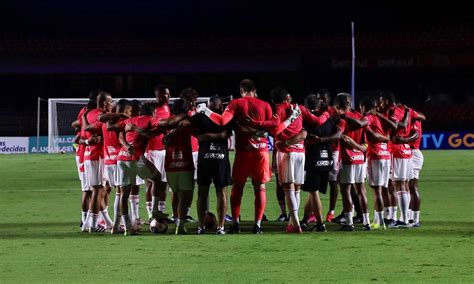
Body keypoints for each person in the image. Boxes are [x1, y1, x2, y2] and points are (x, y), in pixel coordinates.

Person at [248, 87, 330, 233]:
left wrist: (256, 124)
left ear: (273, 101)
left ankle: (296, 225)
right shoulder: (300, 108)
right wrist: (327, 114)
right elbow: (317, 121)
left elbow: (274, 129)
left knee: (288, 189)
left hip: (287, 152)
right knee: (297, 189)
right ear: (287, 97)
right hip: (300, 152)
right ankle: (293, 222)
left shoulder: (278, 110)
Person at [195, 79, 273, 234]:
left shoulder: (236, 103)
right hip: (262, 152)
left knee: (237, 187)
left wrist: (205, 110)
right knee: (260, 188)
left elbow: (223, 120)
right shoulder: (265, 105)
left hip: (244, 152)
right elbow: (271, 127)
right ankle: (257, 225)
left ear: (241, 90)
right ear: (254, 89)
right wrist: (257, 132)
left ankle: (236, 223)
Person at [185, 95, 233, 234]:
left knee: (202, 193)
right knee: (221, 193)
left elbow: (195, 132)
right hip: (221, 159)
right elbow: (225, 135)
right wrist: (218, 136)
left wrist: (204, 135)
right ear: (221, 106)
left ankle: (201, 227)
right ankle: (221, 227)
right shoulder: (225, 118)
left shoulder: (201, 117)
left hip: (204, 159)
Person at [301, 94, 341, 232]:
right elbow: (338, 134)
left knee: (313, 192)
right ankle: (305, 220)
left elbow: (304, 136)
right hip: (327, 159)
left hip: (313, 158)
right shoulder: (328, 119)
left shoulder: (307, 121)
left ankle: (320, 224)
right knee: (313, 192)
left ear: (306, 107)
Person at [334, 93, 370, 231]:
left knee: (346, 190)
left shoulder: (342, 119)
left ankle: (349, 223)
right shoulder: (360, 117)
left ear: (338, 105)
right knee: (361, 190)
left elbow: (340, 136)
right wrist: (360, 148)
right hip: (361, 158)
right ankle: (366, 222)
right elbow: (365, 141)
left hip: (347, 158)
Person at [162, 99, 196, 234]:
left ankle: (176, 219)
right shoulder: (188, 121)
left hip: (170, 163)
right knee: (183, 195)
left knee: (174, 193)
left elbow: (164, 140)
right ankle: (180, 225)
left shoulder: (167, 122)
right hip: (185, 162)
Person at [81, 91, 113, 233]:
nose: (112, 105)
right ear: (105, 103)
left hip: (89, 155)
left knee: (101, 189)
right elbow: (91, 128)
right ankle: (93, 225)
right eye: (111, 102)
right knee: (98, 190)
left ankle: (91, 223)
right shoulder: (101, 116)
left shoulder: (88, 114)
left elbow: (81, 135)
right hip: (97, 156)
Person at [145, 84, 172, 223]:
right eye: (161, 95)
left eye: (166, 94)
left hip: (164, 150)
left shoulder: (169, 107)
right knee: (151, 183)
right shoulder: (151, 108)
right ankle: (151, 214)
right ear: (156, 96)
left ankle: (160, 212)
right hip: (152, 150)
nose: (164, 97)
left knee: (164, 183)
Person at [409, 114, 425, 227]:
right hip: (410, 154)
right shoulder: (415, 119)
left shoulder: (414, 121)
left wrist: (401, 140)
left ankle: (415, 219)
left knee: (413, 187)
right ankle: (410, 218)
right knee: (408, 188)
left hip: (413, 154)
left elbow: (414, 135)